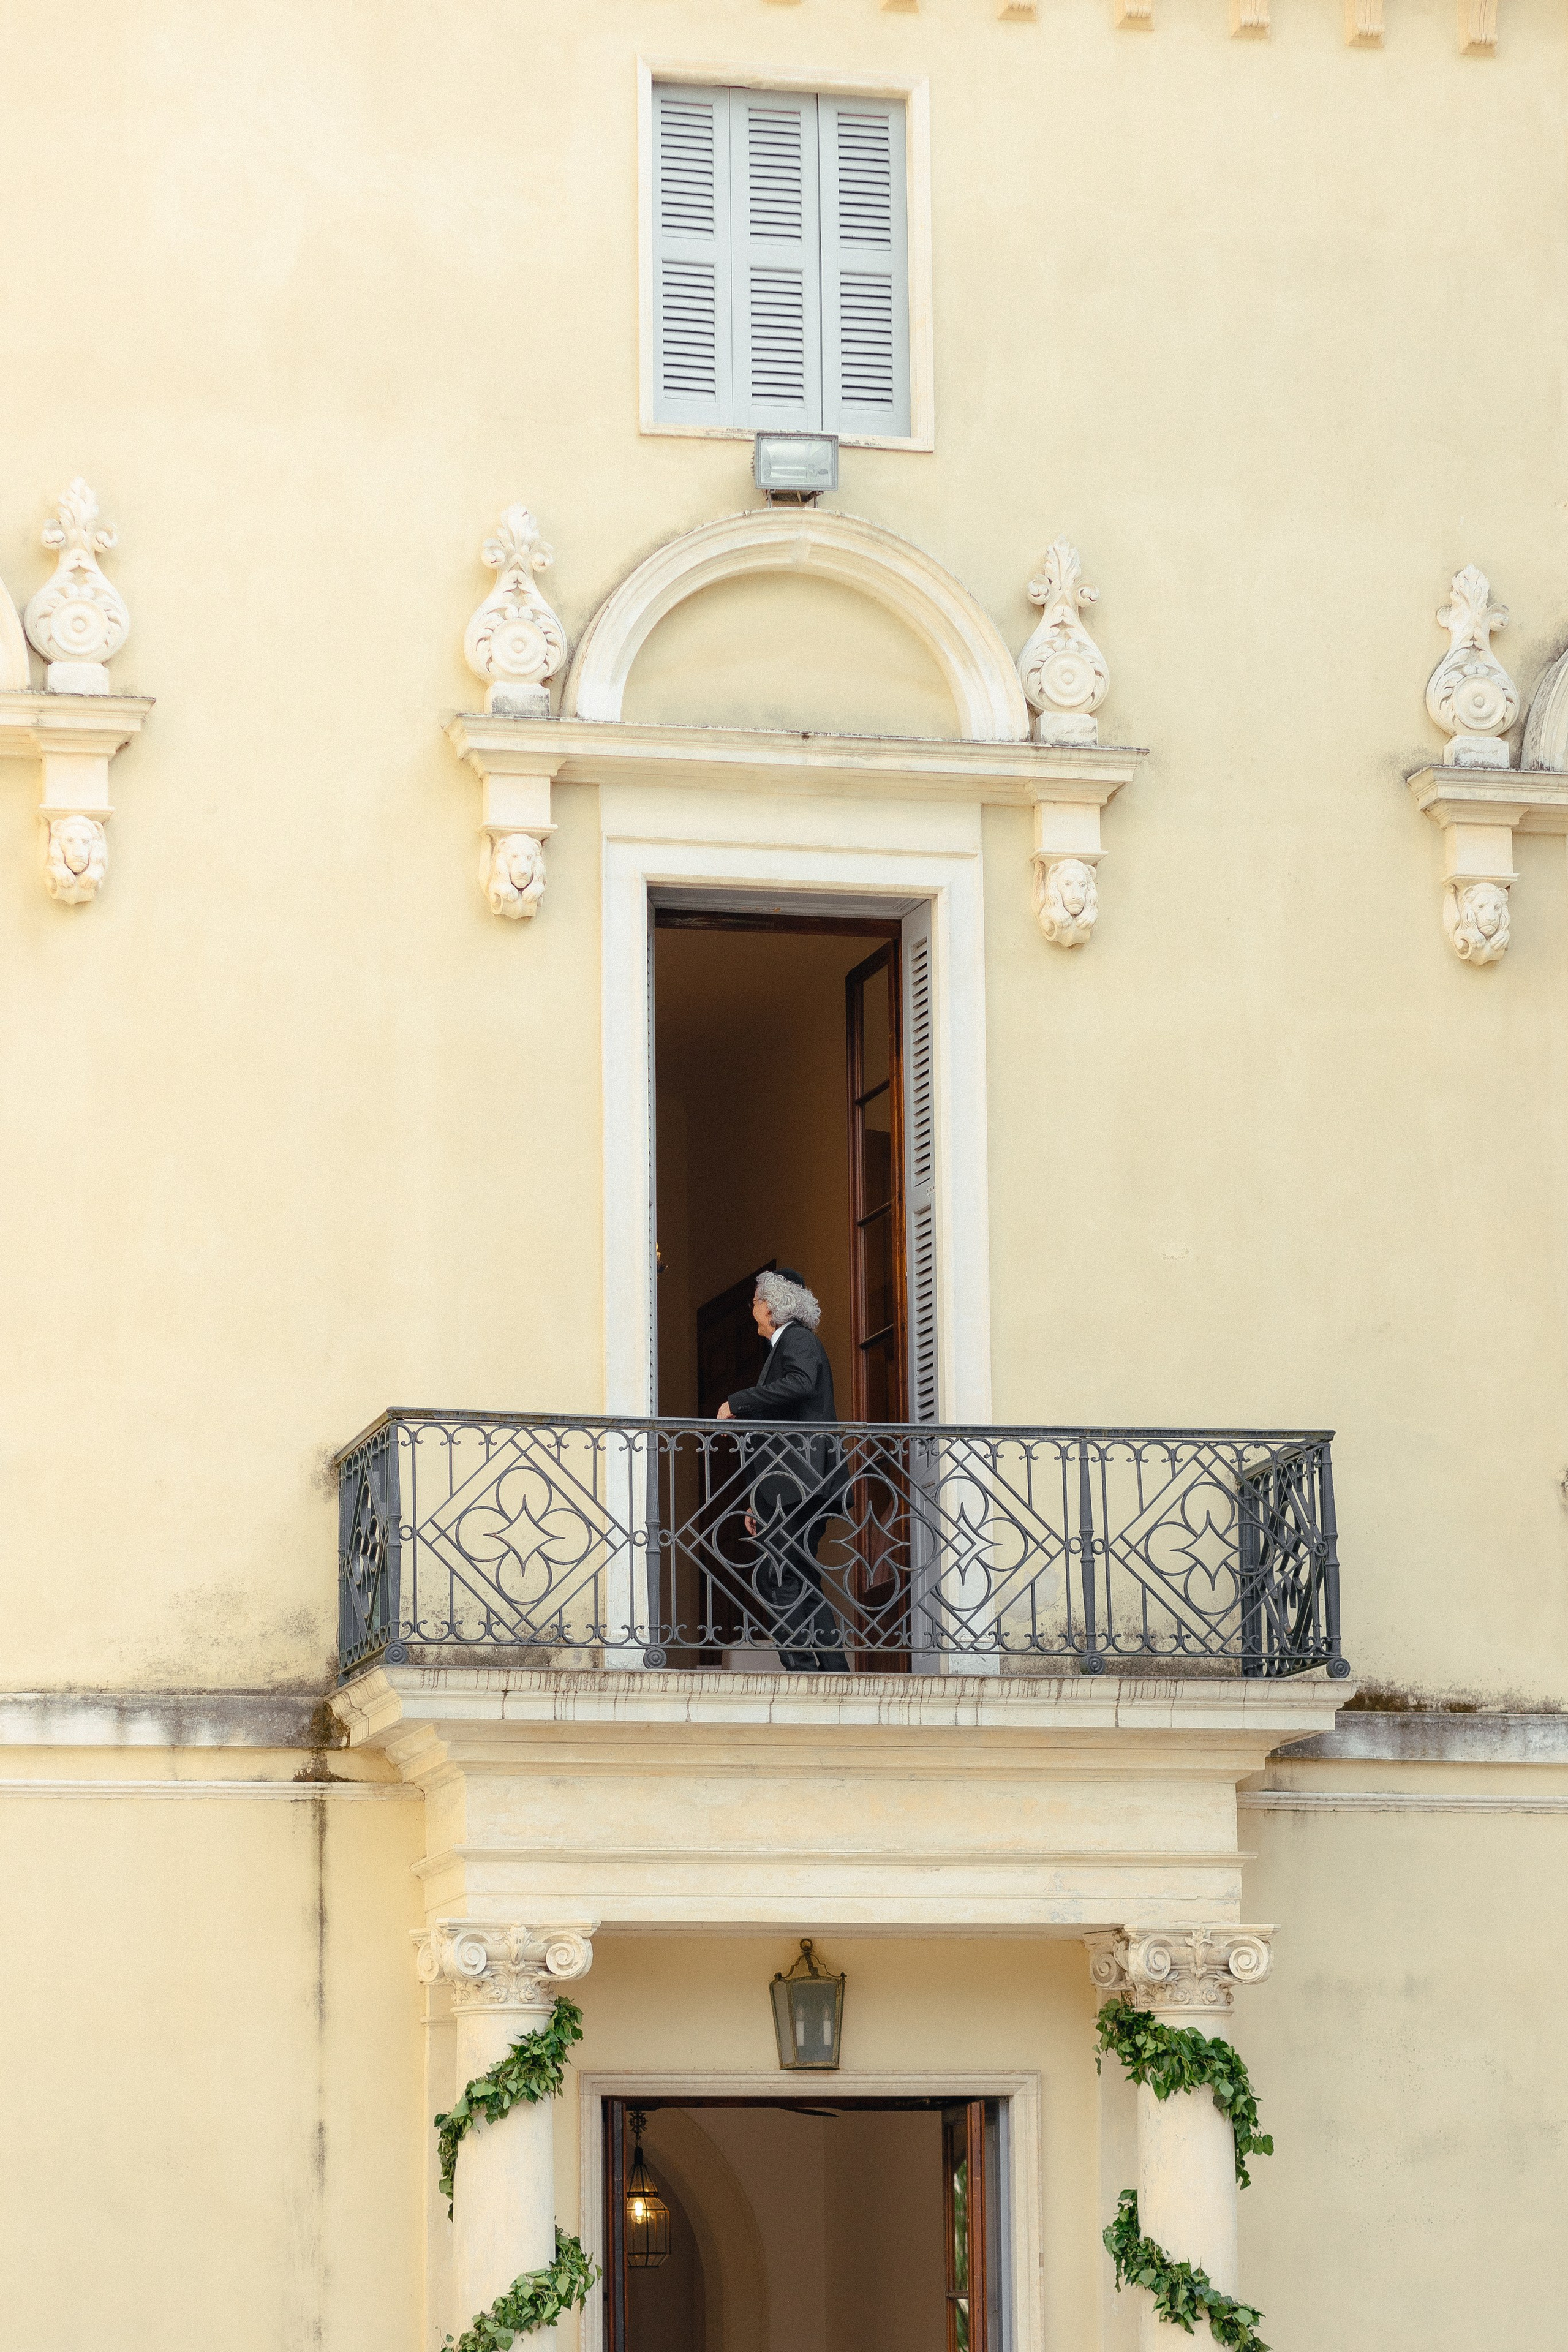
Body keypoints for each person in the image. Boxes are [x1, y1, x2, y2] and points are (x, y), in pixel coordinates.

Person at [717, 1268, 848, 1672]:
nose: (752, 1307)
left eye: (756, 1300)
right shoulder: (786, 1344)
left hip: (801, 1480)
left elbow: (801, 1383)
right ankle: (831, 1669)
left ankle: (804, 1668)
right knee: (798, 1574)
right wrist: (759, 1501)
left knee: (779, 1574)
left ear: (772, 1306)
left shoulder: (797, 1338)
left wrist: (739, 1401)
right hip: (791, 1483)